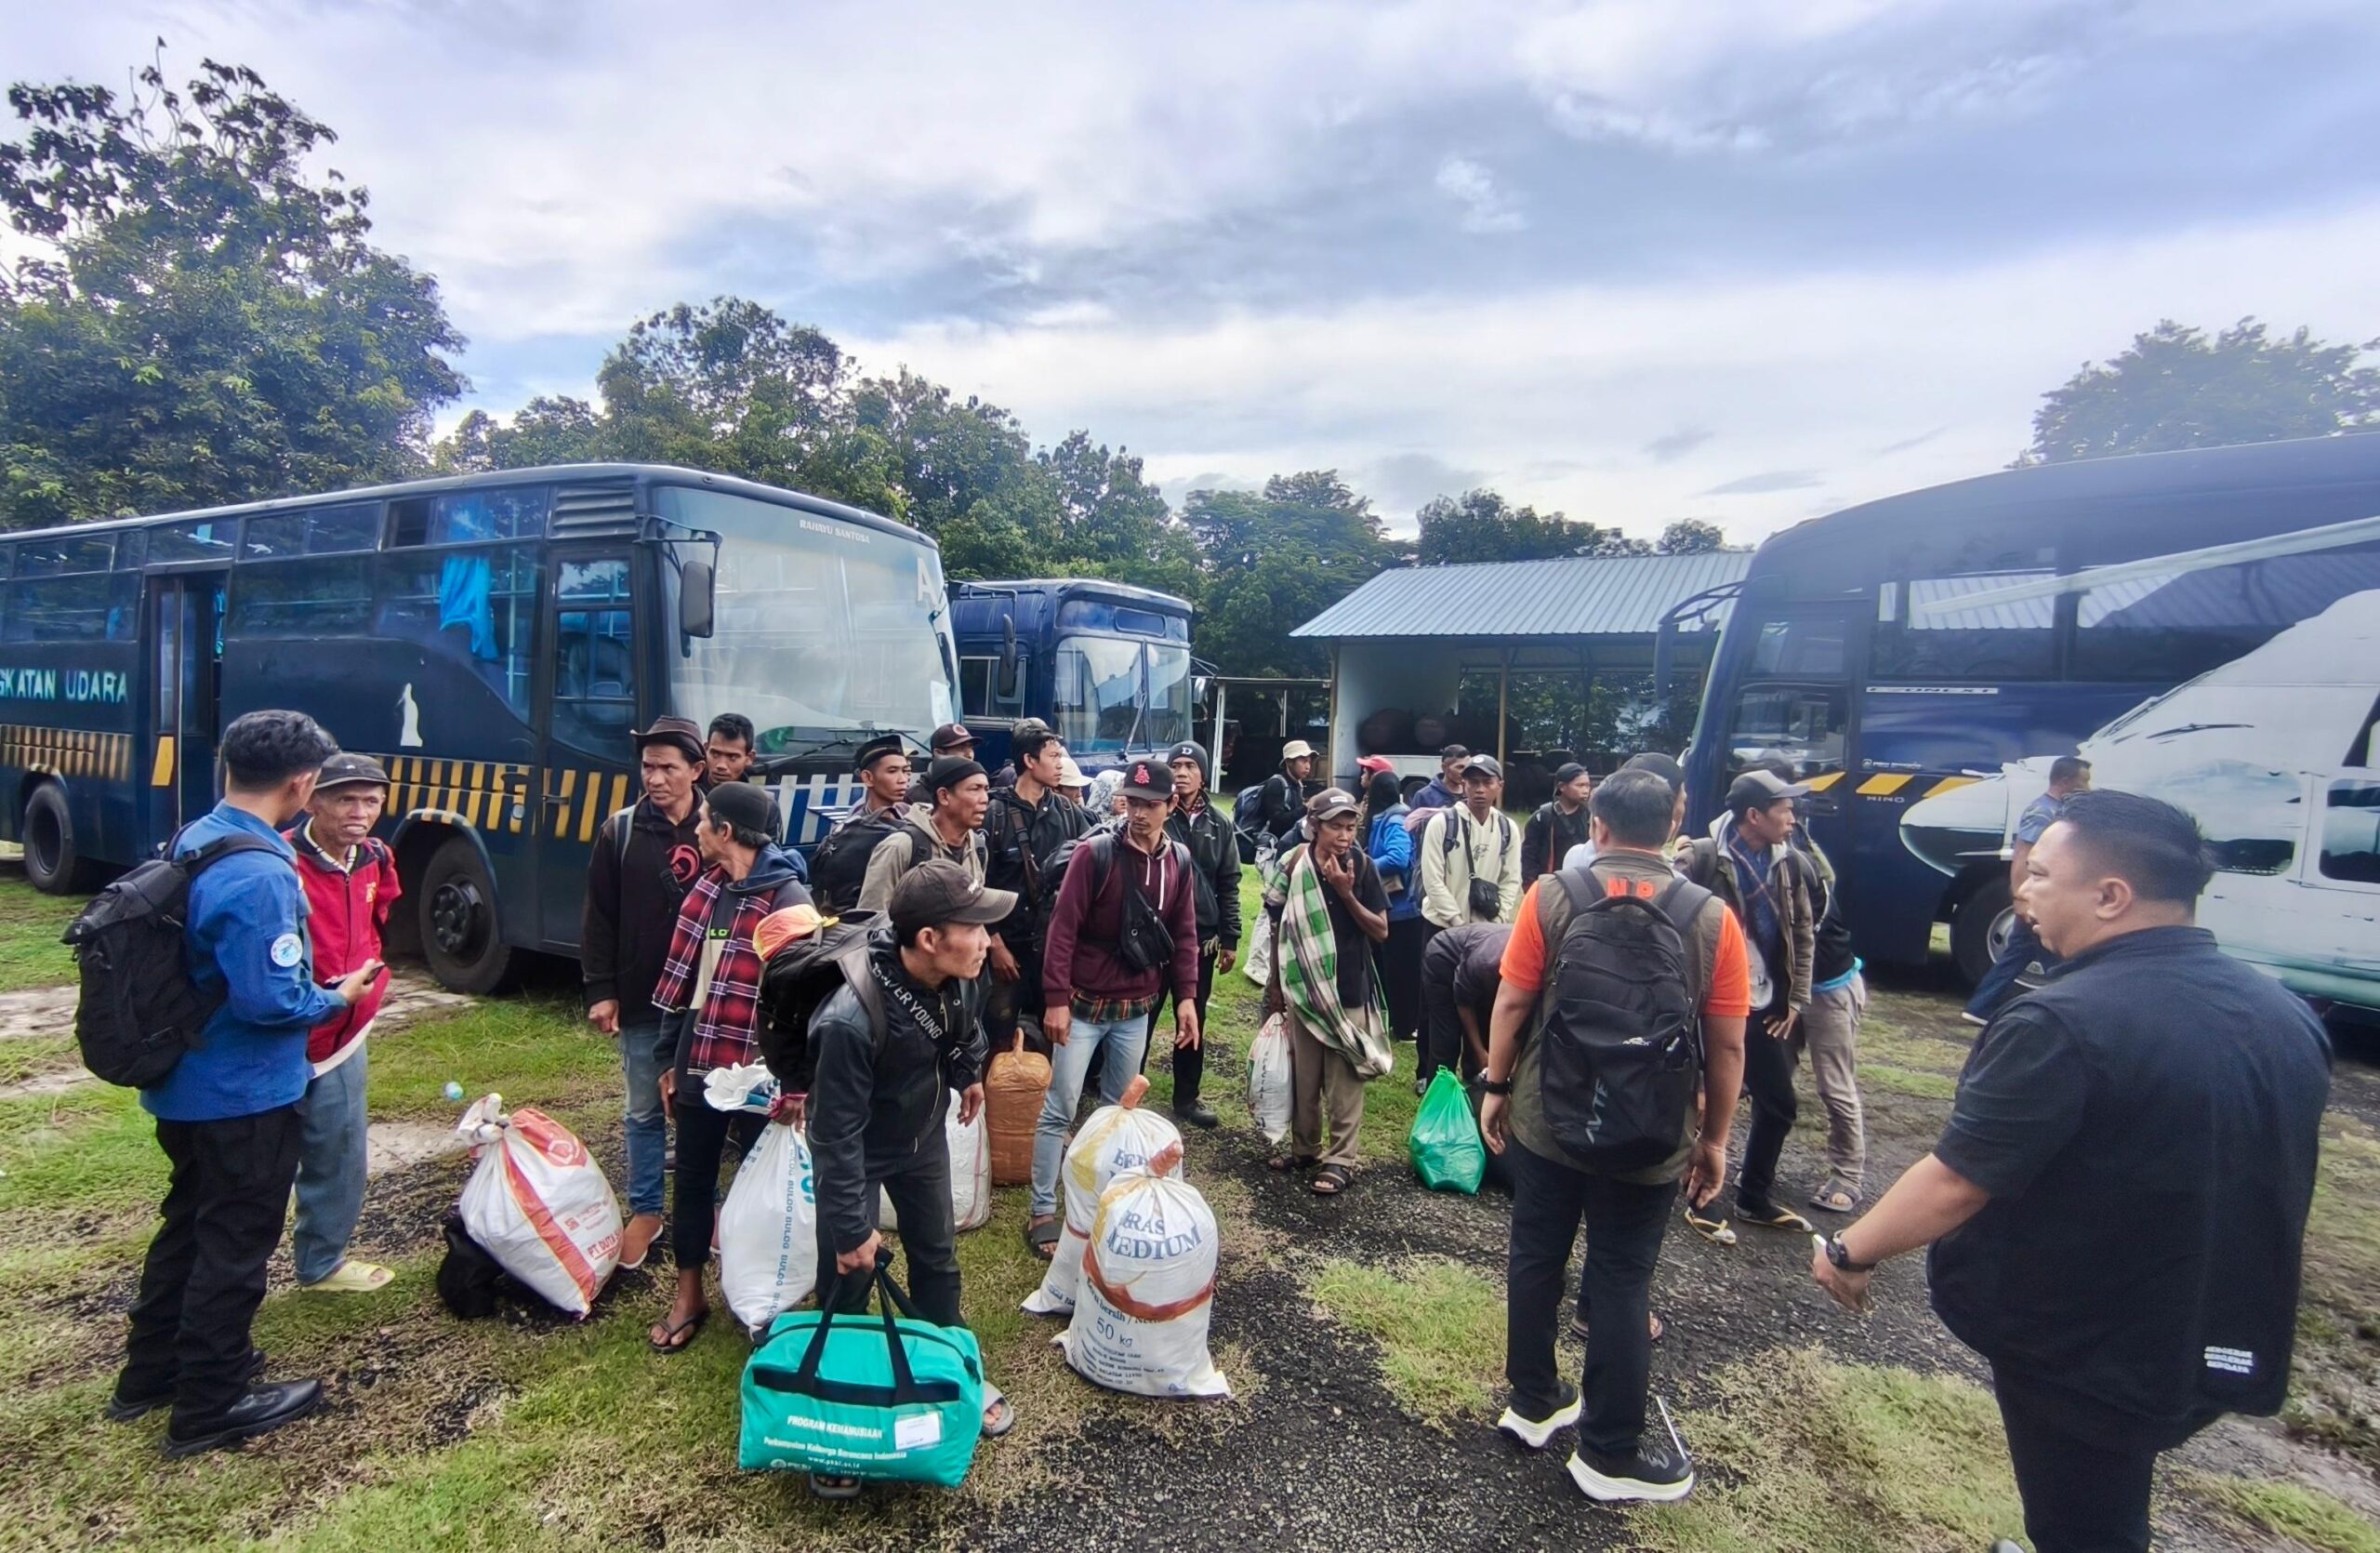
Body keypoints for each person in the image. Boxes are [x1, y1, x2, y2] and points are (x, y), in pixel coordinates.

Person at [1810, 790, 2330, 1553]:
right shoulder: (2284, 1014)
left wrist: (1850, 1251)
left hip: (2088, 1342)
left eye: (2042, 875)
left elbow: (1959, 1177)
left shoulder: (2063, 1021)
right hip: (2215, 1321)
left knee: (2084, 1520)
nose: (2022, 892)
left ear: (2111, 895)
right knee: (2107, 1492)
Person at [112, 710, 384, 1456]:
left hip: (186, 1083)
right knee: (234, 1243)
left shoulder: (197, 836)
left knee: (188, 1227)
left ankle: (151, 1374)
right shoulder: (264, 872)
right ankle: (213, 1399)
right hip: (243, 1092)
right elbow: (272, 1001)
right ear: (302, 785)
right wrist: (339, 997)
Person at [1479, 767, 1751, 1504]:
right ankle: (1608, 1451)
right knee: (1624, 1278)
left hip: (1548, 1114)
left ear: (1596, 827)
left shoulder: (1553, 897)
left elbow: (1512, 1001)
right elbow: (1727, 1047)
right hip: (1652, 1131)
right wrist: (1715, 1139)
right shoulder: (1711, 917)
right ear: (1671, 829)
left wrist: (1497, 1087)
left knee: (1535, 1254)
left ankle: (1533, 1402)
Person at [807, 860, 1015, 1498]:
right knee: (848, 1278)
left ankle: (948, 1375)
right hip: (859, 1156)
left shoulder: (960, 977)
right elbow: (833, 1136)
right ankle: (835, 1415)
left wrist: (968, 1072)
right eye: (974, 928)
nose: (987, 941)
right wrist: (850, 1229)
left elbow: (961, 1031)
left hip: (921, 1140)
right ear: (928, 939)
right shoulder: (850, 1018)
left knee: (938, 1262)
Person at [645, 781, 813, 1353]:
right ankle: (689, 1293)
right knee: (692, 1178)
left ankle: (762, 1295)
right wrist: (671, 1059)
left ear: (727, 832)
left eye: (705, 820)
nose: (696, 827)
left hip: (764, 1071)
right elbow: (686, 984)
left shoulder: (789, 903)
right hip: (703, 1059)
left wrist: (797, 1085)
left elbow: (804, 1008)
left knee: (764, 1185)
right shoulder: (706, 892)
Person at [1027, 759, 1201, 1255]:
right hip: (1082, 1006)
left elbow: (1185, 935)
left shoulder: (1180, 862)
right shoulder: (1096, 854)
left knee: (1117, 1111)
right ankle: (1043, 1209)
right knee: (1059, 1108)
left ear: (1171, 806)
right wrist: (1056, 1001)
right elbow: (1062, 931)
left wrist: (1187, 998)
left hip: (1136, 1009)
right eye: (1132, 802)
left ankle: (1099, 1203)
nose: (1139, 814)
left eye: (1151, 805)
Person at [582, 714, 708, 1270]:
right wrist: (601, 989)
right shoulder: (621, 830)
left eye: (668, 768)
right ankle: (647, 1207)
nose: (655, 779)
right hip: (641, 995)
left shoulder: (720, 827)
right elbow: (599, 917)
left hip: (706, 998)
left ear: (696, 770)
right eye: (648, 767)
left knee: (704, 1105)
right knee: (640, 1109)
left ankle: (708, 1208)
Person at [284, 752, 403, 1294]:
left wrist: (373, 977)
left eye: (371, 801)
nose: (360, 812)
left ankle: (320, 1264)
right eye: (345, 799)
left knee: (341, 1150)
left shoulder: (376, 856)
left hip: (344, 1036)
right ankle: (229, 1276)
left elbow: (380, 917)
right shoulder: (281, 862)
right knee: (262, 1165)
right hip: (283, 1037)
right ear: (311, 800)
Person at [1682, 767, 1818, 1240]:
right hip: (1708, 1002)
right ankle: (1699, 1199)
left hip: (1763, 1000)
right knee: (1702, 1100)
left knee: (1778, 1103)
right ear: (1754, 815)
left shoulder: (1790, 863)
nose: (1793, 818)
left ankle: (1753, 1196)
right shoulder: (1700, 858)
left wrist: (1796, 996)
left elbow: (1802, 930)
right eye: (1785, 809)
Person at [1262, 789, 1392, 1197]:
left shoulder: (1362, 867)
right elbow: (1277, 924)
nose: (1344, 835)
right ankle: (1305, 1150)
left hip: (1346, 987)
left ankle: (1340, 1160)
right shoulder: (1294, 863)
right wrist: (1275, 983)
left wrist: (1345, 892)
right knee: (1305, 1077)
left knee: (1344, 1079)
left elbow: (1381, 930)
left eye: (1351, 827)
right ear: (1314, 826)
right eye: (1335, 826)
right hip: (1302, 985)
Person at [982, 719, 1091, 1059]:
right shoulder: (994, 813)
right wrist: (993, 942)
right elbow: (978, 883)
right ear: (1029, 761)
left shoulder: (1069, 814)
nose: (1061, 764)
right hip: (1006, 948)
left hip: (1053, 950)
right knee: (997, 1036)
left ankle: (1039, 1107)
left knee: (1051, 1036)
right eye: (1054, 756)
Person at [1964, 755, 2093, 1027]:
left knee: (2025, 957)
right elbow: (2023, 857)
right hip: (2034, 902)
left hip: (2037, 901)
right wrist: (2021, 899)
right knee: (2054, 959)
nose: (2088, 788)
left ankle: (1979, 1008)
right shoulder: (2042, 813)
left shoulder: (2054, 811)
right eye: (2084, 782)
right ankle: (2069, 1013)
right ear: (2065, 781)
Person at [1156, 739, 1241, 1128]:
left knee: (1192, 1016)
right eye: (1177, 764)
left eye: (1191, 765)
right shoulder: (1156, 811)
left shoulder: (1220, 823)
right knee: (1142, 1012)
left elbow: (1229, 881)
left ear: (1203, 774)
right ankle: (1120, 1086)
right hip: (1156, 933)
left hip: (1201, 937)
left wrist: (1230, 937)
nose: (1182, 772)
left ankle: (1186, 1098)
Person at [856, 756, 990, 912]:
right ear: (944, 796)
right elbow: (871, 920)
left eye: (986, 789)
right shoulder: (900, 847)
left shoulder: (978, 847)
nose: (985, 799)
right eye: (975, 789)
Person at [807, 735, 912, 915]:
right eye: (892, 771)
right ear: (868, 778)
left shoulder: (911, 815)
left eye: (906, 771)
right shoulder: (852, 830)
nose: (903, 779)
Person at [1418, 755, 1522, 934]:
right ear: (1464, 785)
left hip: (1487, 929)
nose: (1480, 790)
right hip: (1442, 926)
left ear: (1500, 786)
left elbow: (1511, 879)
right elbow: (1432, 880)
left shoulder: (1507, 828)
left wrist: (1497, 920)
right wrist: (1456, 922)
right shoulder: (1442, 823)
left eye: (1487, 782)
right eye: (1473, 782)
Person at [1364, 768, 1426, 1046]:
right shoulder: (1388, 815)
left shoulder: (1396, 818)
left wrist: (1363, 866)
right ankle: (1395, 1023)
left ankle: (1405, 1027)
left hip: (1403, 909)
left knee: (1403, 972)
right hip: (1389, 907)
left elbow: (1398, 858)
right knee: (1388, 969)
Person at [1420, 920, 1507, 1087]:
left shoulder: (1527, 963)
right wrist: (1481, 1053)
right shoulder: (1485, 963)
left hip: (1476, 956)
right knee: (1447, 1038)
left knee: (1484, 1031)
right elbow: (1464, 1004)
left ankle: (1473, 1089)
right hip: (1443, 957)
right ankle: (1439, 1099)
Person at [1522, 763, 1593, 887]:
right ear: (1562, 787)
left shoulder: (1591, 817)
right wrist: (1531, 887)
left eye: (1587, 785)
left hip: (1582, 885)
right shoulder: (1542, 817)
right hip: (1551, 885)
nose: (1586, 790)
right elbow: (1529, 857)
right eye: (1580, 785)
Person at [1256, 739, 1316, 843]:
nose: (1308, 766)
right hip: (1272, 845)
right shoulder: (1276, 785)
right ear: (1289, 762)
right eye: (1303, 761)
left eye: (1309, 762)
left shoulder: (1297, 784)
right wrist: (1306, 808)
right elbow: (1277, 822)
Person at [704, 712, 758, 789]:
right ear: (705, 749)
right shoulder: (685, 793)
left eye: (732, 757)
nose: (721, 765)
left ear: (749, 758)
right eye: (715, 754)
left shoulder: (758, 798)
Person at [1408, 745, 1470, 811]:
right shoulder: (1424, 796)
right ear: (1444, 768)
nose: (1465, 772)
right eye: (1460, 767)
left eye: (1468, 767)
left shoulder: (1471, 793)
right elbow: (1413, 820)